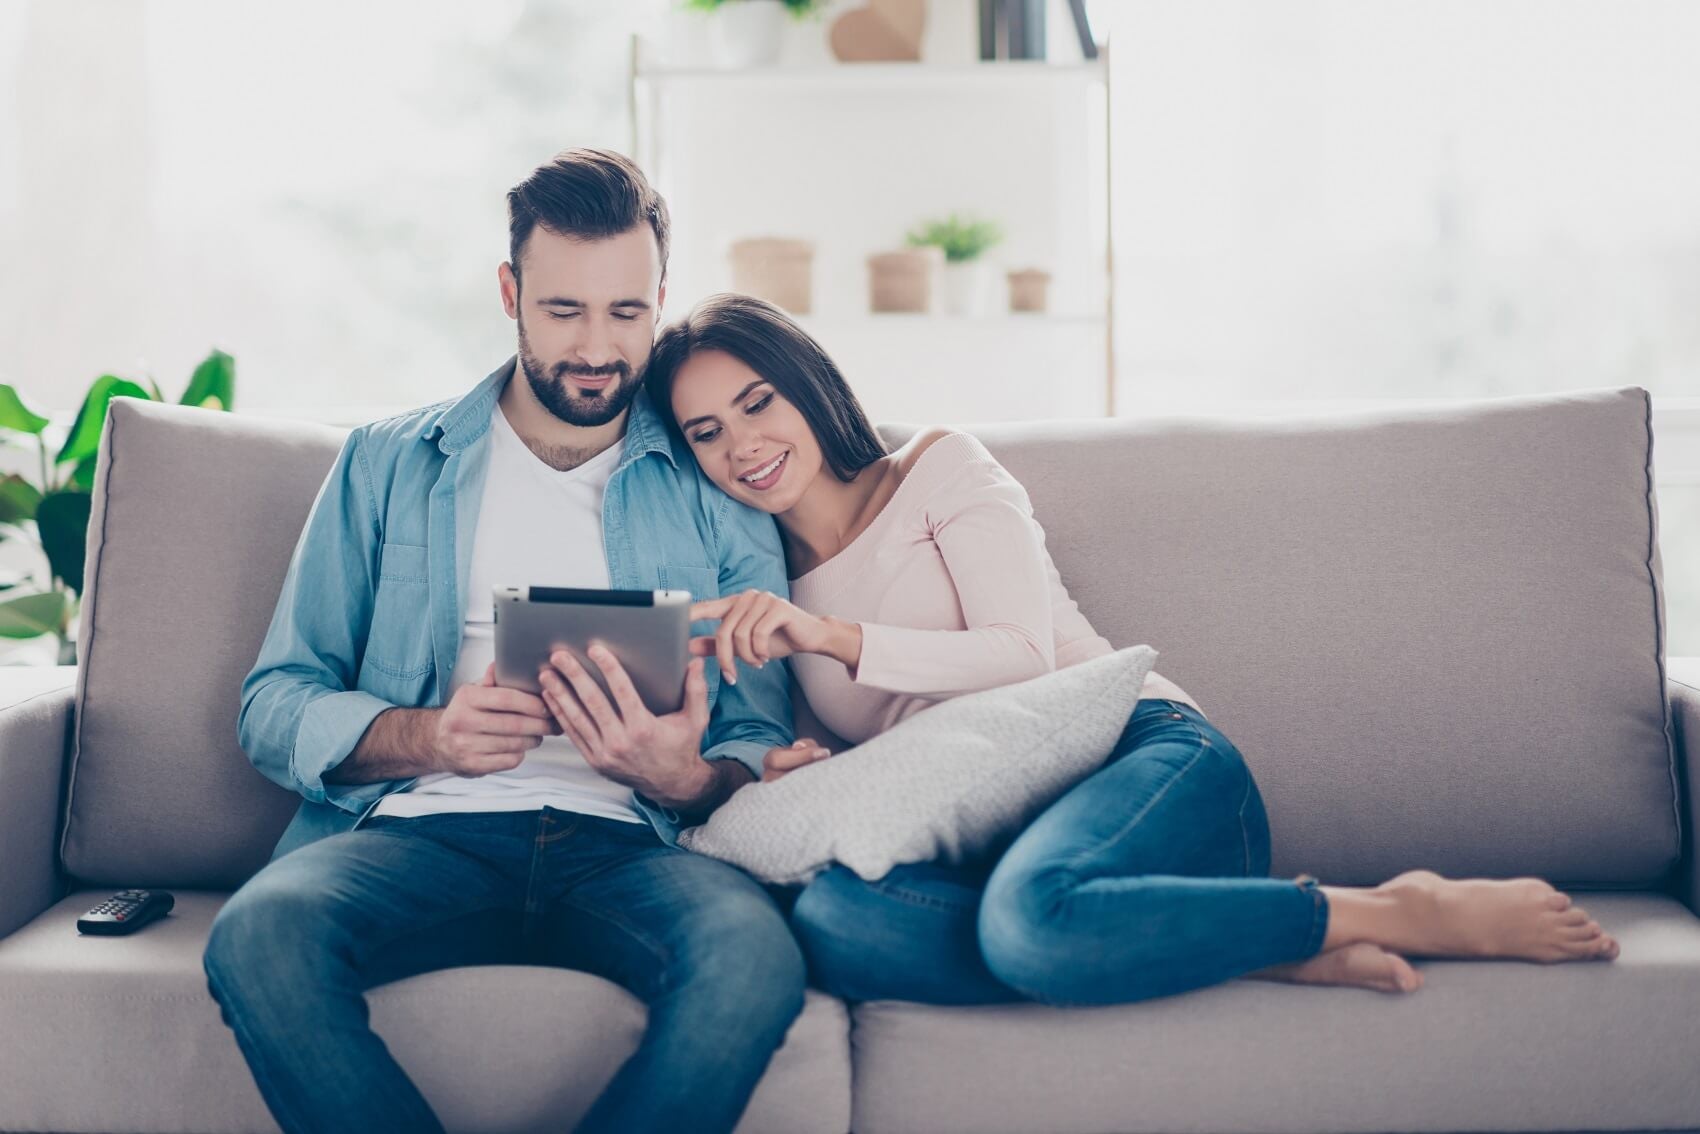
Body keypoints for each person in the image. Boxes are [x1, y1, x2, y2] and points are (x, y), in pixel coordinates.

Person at [637, 291, 1622, 1008]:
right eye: (707, 432)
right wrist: (780, 763)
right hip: (999, 837)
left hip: (1144, 762)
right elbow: (888, 781)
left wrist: (833, 635)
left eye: (757, 401)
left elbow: (1021, 657)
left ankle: (1394, 909)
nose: (742, 444)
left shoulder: (938, 466)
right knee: (836, 924)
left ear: (807, 384)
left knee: (1027, 922)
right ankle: (1222, 944)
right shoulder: (767, 594)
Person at [204, 152, 808, 1134]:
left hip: (635, 844)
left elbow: (757, 726)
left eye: (624, 312)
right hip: (419, 834)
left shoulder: (714, 481)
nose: (596, 347)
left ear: (658, 299)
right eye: (563, 310)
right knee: (258, 936)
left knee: (754, 958)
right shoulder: (387, 463)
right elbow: (273, 702)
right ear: (509, 293)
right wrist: (427, 737)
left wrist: (684, 777)